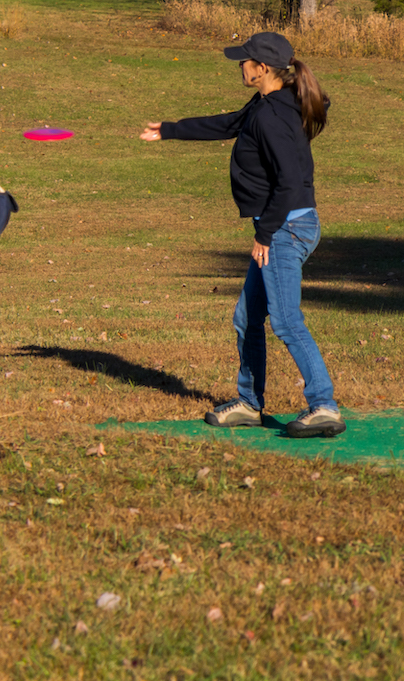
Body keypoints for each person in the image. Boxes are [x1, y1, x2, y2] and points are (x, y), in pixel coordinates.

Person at [139, 31, 344, 438]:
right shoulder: (266, 103)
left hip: (286, 227)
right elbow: (230, 124)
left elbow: (288, 182)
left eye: (245, 61)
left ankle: (324, 407)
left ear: (262, 69)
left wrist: (265, 234)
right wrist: (170, 129)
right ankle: (249, 405)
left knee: (285, 321)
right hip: (281, 224)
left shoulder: (273, 116)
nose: (241, 66)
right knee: (247, 318)